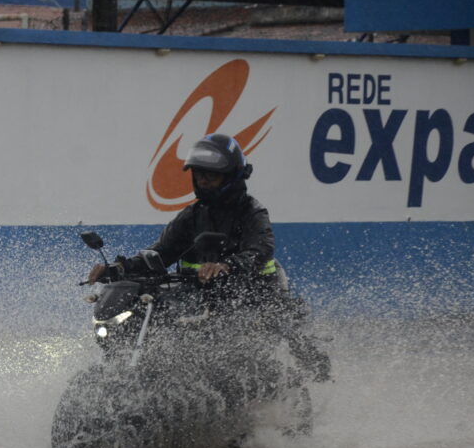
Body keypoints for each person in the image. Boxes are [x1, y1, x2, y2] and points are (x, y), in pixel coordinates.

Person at [88, 133, 330, 381]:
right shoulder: (193, 215)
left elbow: (261, 249)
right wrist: (119, 268)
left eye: (210, 175)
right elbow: (161, 252)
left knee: (271, 332)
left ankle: (290, 383)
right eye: (199, 174)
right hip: (203, 296)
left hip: (252, 293)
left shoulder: (251, 211)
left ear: (232, 176)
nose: (203, 180)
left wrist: (227, 266)